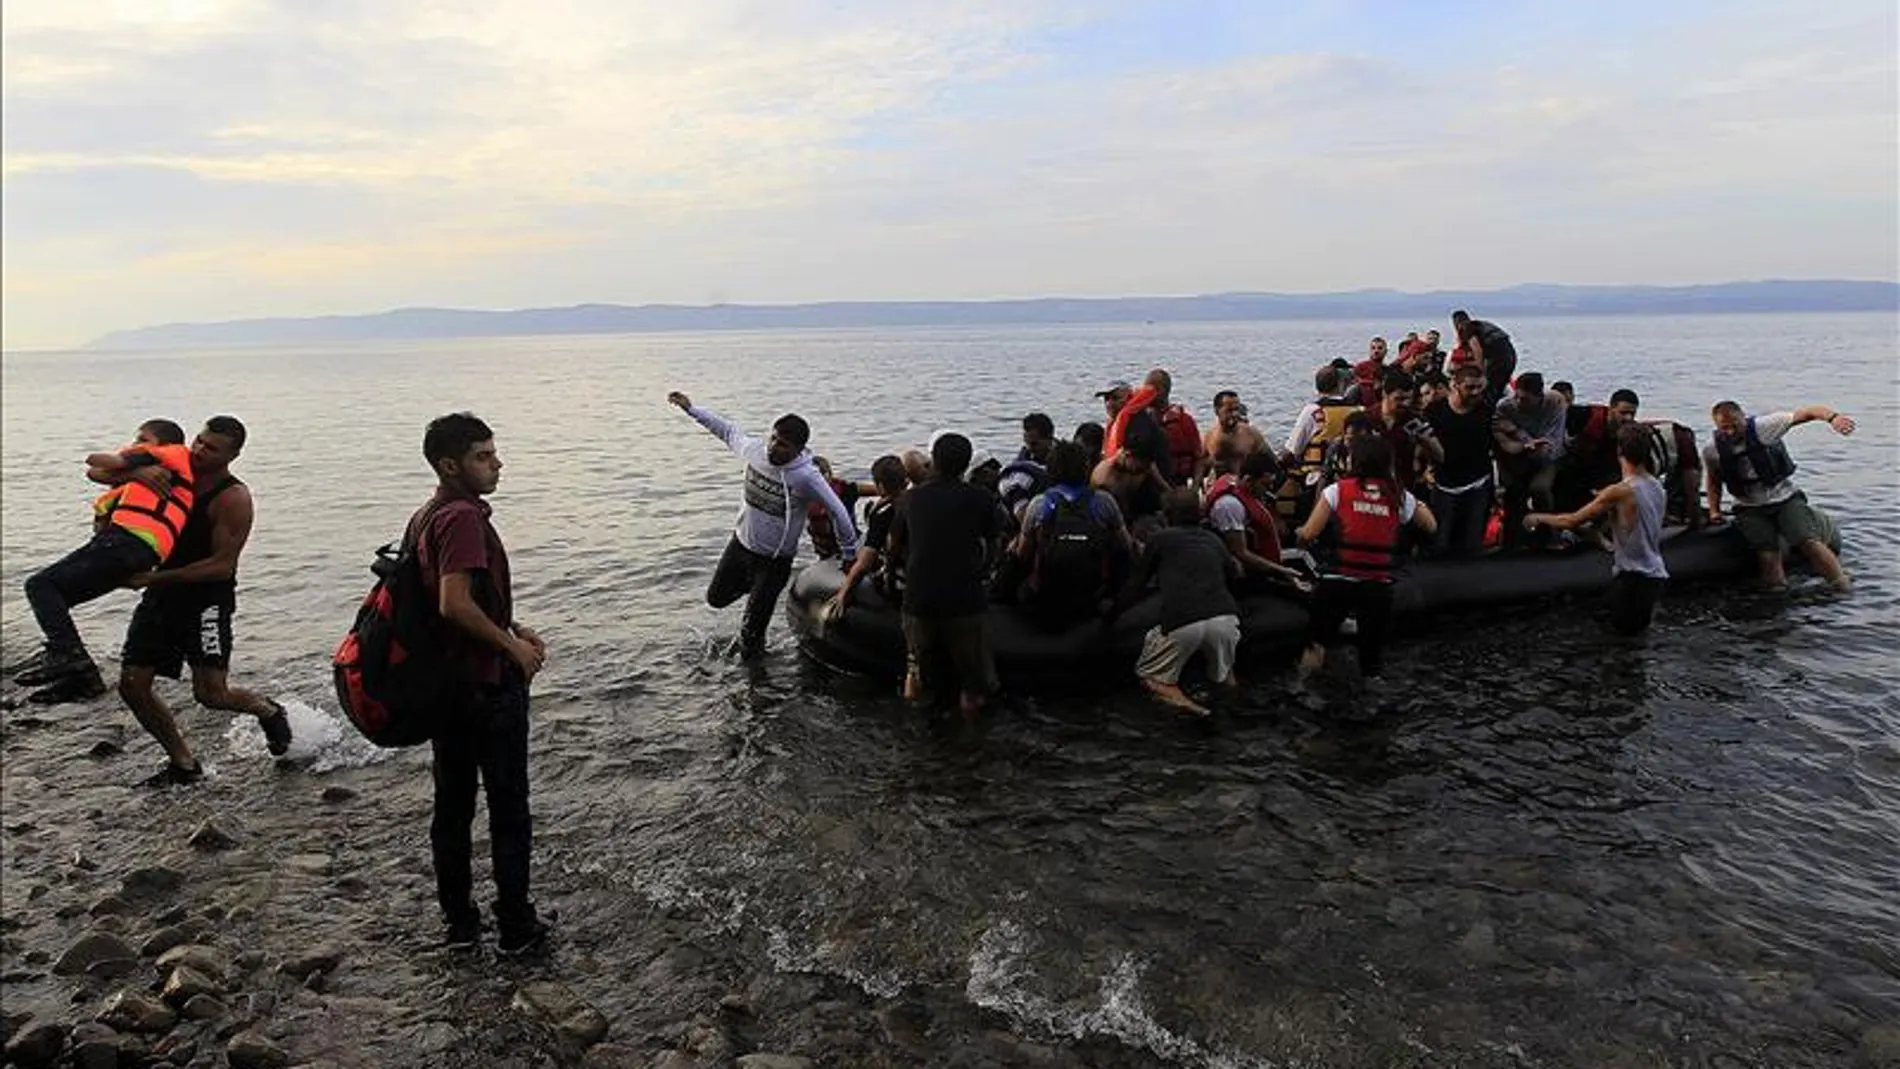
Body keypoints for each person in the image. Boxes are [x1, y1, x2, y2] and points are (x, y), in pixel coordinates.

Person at [409, 412, 549, 955]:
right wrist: (511, 648)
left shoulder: (428, 515)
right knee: (509, 808)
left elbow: (445, 602)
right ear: (451, 465)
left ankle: (460, 921)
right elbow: (453, 603)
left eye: (494, 453)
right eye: (483, 456)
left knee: (453, 807)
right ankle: (516, 925)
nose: (497, 464)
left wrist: (511, 625)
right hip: (486, 689)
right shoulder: (464, 518)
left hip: (447, 689)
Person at [114, 417, 293, 785]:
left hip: (206, 599)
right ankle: (183, 763)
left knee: (211, 694)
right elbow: (102, 474)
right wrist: (140, 474)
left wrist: (152, 577)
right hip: (161, 593)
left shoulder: (232, 497)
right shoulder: (172, 472)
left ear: (233, 455)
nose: (198, 450)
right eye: (198, 441)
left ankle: (267, 710)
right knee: (132, 684)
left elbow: (221, 566)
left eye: (211, 448)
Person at [16, 420, 197, 701]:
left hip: (126, 542)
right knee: (55, 599)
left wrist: (132, 463)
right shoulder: (160, 474)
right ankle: (83, 680)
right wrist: (136, 474)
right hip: (138, 551)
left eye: (142, 437)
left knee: (40, 586)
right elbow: (96, 474)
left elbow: (97, 461)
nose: (136, 442)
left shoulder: (168, 453)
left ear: (158, 442)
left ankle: (74, 661)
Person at [669, 391, 858, 657]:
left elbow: (838, 511)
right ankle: (754, 590)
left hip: (774, 562)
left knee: (752, 637)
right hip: (741, 546)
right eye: (773, 439)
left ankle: (758, 687)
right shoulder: (756, 452)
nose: (773, 447)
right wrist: (691, 409)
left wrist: (850, 554)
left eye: (782, 445)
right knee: (716, 598)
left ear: (797, 450)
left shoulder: (806, 477)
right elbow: (726, 430)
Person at [1295, 436, 1437, 679]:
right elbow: (1431, 526)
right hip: (1377, 582)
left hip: (1337, 578)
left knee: (1316, 641)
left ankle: (1304, 686)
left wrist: (1299, 534)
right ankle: (1371, 693)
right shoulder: (1398, 496)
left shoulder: (1337, 491)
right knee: (1371, 654)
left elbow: (1308, 534)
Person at [888, 433, 1001, 714]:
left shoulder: (911, 499)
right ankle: (970, 742)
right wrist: (984, 572)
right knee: (974, 683)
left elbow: (893, 546)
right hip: (965, 598)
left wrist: (890, 579)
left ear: (933, 461)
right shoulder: (981, 498)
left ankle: (915, 741)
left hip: (919, 597)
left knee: (915, 671)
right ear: (966, 466)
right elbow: (995, 543)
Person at [1526, 423, 1671, 636]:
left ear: (1619, 451)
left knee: (1619, 641)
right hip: (1655, 573)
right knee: (1632, 638)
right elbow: (1635, 519)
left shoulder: (1619, 492)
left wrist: (1537, 516)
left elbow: (1571, 521)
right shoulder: (1655, 485)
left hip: (1633, 578)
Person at [1112, 489, 1243, 716]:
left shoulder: (1160, 539)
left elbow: (1136, 584)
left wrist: (1111, 614)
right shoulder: (1213, 539)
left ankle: (1194, 710)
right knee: (1224, 676)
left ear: (1168, 515)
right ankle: (1235, 710)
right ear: (1200, 514)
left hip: (1184, 620)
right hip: (1225, 618)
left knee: (1153, 678)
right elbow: (1236, 573)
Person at [1704, 401, 1855, 590]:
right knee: (1767, 553)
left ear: (1743, 416)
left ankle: (1840, 583)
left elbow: (1808, 412)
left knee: (1807, 541)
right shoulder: (1712, 450)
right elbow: (1713, 481)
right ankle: (1778, 594)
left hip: (1784, 498)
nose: (1731, 432)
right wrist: (1714, 511)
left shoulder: (1765, 427)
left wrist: (1833, 418)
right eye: (1724, 428)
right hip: (1749, 506)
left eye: (1735, 425)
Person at [1005, 441, 1130, 623]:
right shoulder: (1104, 501)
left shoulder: (1039, 504)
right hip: (1092, 593)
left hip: (1046, 594)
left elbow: (1023, 555)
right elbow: (1125, 545)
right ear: (1086, 468)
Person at [1422, 364, 1496, 559]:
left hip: (1478, 483)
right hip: (1445, 484)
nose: (1476, 393)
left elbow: (1499, 441)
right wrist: (1426, 468)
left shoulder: (1486, 411)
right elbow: (1426, 450)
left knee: (1472, 544)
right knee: (1440, 542)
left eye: (1480, 387)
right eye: (1470, 388)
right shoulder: (1434, 412)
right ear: (1455, 385)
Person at [1203, 452, 1306, 590]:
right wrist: (1282, 571)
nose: (1268, 489)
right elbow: (1239, 552)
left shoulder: (1236, 482)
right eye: (1265, 484)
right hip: (1243, 571)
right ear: (1248, 479)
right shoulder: (1229, 505)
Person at [1492, 372, 1569, 550]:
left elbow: (1551, 448)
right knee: (1513, 491)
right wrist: (1525, 443)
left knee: (1540, 488)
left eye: (1525, 399)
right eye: (1517, 397)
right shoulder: (1506, 406)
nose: (1519, 403)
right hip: (1517, 458)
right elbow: (1500, 435)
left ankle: (1549, 535)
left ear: (1539, 396)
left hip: (1547, 459)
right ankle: (1513, 541)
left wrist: (1520, 435)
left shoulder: (1555, 403)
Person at [829, 456, 911, 615]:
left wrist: (843, 592)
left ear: (880, 486)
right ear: (906, 480)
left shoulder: (884, 517)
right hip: (928, 573)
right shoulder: (923, 501)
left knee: (863, 547)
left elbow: (864, 564)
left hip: (904, 580)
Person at [1277, 365, 1358, 523]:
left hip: (1315, 480)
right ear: (1341, 384)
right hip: (1349, 478)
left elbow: (1293, 450)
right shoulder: (1357, 410)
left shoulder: (1313, 411)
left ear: (1317, 386)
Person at [1559, 388, 1640, 510]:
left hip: (1601, 475)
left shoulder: (1630, 434)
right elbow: (1556, 415)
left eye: (1632, 414)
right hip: (1572, 466)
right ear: (1611, 408)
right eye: (1623, 413)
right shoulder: (1585, 415)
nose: (1628, 418)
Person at [1376, 374, 1442, 496]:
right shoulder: (1368, 418)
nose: (1405, 404)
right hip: (1373, 486)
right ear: (1385, 394)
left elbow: (1440, 455)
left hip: (1405, 487)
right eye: (1399, 399)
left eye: (1408, 399)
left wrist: (1426, 441)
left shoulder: (1416, 421)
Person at [1143, 369, 1208, 492]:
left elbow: (1199, 458)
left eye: (1149, 388)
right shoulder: (1140, 421)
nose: (1144, 392)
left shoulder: (1184, 421)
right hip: (1149, 486)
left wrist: (1194, 488)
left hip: (1178, 483)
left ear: (1161, 390)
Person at [1451, 310, 1518, 404]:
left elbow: (1478, 351)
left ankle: (1486, 412)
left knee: (1488, 390)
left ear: (1456, 324)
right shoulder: (1480, 325)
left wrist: (1478, 370)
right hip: (1511, 356)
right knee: (1498, 388)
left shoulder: (1467, 329)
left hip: (1499, 359)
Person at [1203, 391, 1267, 478]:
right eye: (1229, 410)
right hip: (1219, 486)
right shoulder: (1209, 437)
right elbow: (1200, 466)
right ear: (1217, 411)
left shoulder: (1252, 434)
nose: (1234, 414)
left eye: (1236, 409)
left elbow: (1269, 463)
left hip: (1246, 486)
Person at [1352, 337, 1389, 409]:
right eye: (1373, 348)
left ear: (1386, 351)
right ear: (1369, 351)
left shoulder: (1388, 371)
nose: (1376, 351)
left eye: (1380, 348)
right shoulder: (1360, 367)